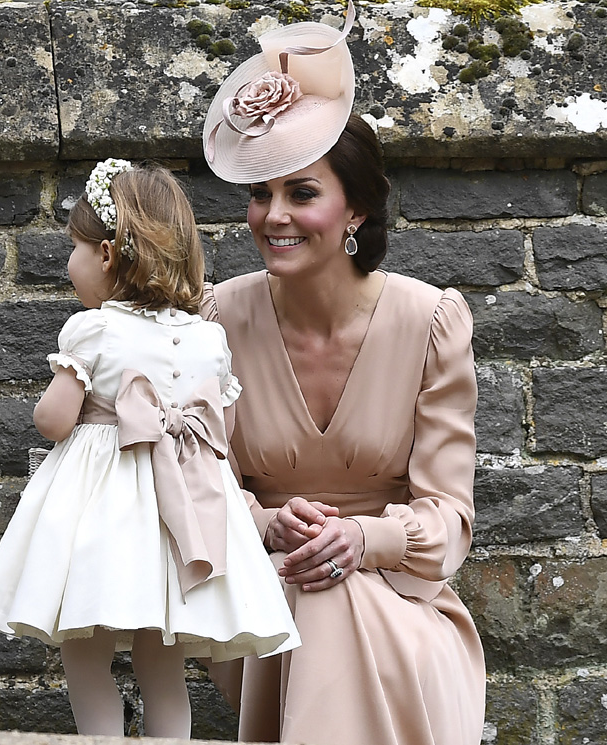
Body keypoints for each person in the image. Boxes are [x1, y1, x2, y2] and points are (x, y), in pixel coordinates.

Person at [200, 2, 486, 744]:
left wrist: (361, 539)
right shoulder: (216, 321)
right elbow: (198, 491)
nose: (273, 216)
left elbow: (448, 518)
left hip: (402, 603)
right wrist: (266, 523)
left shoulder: (429, 323)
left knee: (332, 592)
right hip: (264, 607)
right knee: (311, 586)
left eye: (300, 192)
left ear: (354, 208)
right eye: (259, 194)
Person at [0, 160, 300, 739]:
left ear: (107, 255)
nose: (69, 262)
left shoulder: (94, 330)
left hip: (105, 514)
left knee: (85, 649)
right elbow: (224, 428)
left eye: (75, 247)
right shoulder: (208, 337)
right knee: (162, 658)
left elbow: (53, 421)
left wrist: (64, 405)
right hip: (178, 515)